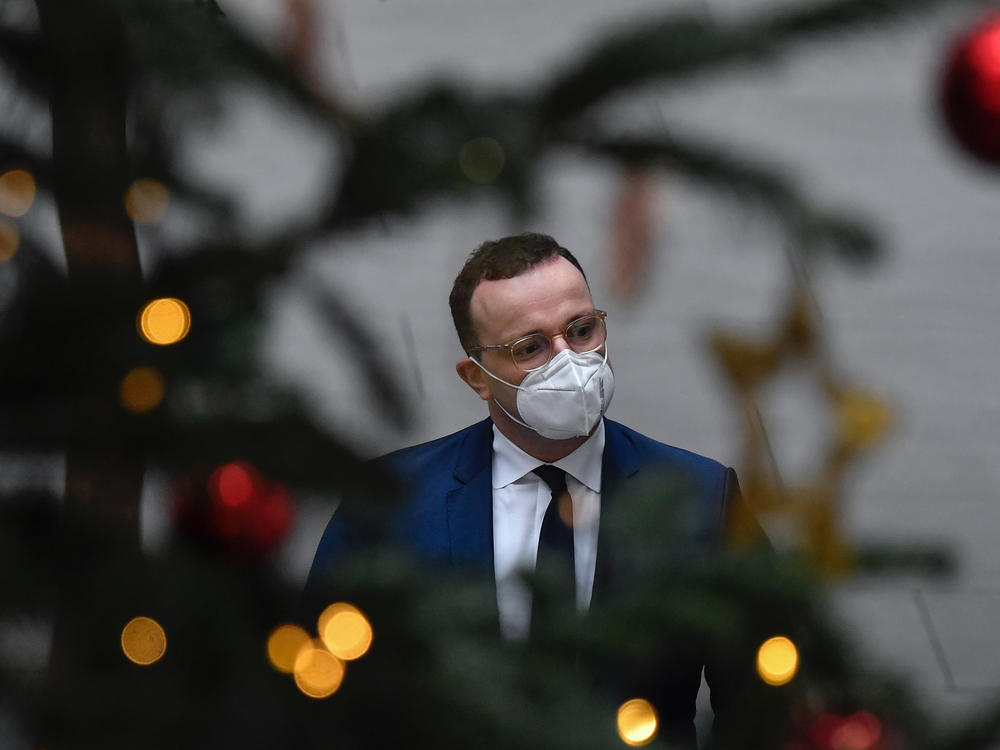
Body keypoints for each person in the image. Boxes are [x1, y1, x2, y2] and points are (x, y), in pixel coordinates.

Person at [306, 232, 750, 746]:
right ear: (477, 378)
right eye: (531, 347)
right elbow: (317, 699)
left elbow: (761, 710)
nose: (569, 361)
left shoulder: (702, 497)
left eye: (581, 330)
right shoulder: (387, 503)